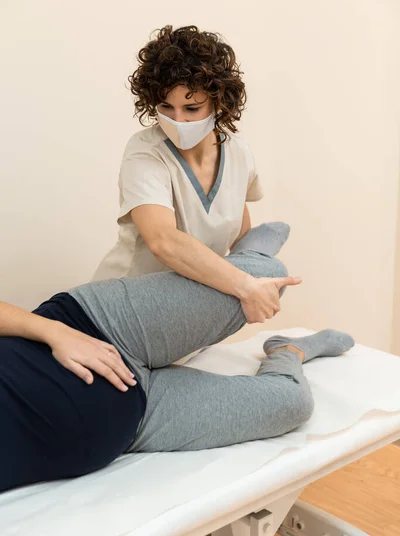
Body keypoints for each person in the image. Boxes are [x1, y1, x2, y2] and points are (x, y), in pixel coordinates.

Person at [0, 223, 354, 492]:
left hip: (93, 326)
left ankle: (250, 257)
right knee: (292, 405)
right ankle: (288, 351)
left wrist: (53, 332)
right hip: (140, 418)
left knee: (265, 278)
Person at [93, 25, 283, 325]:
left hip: (187, 310)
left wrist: (261, 276)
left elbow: (240, 240)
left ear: (219, 103)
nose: (177, 120)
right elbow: (163, 241)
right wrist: (246, 287)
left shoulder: (238, 154)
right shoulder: (145, 152)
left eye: (191, 108)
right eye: (166, 106)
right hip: (124, 309)